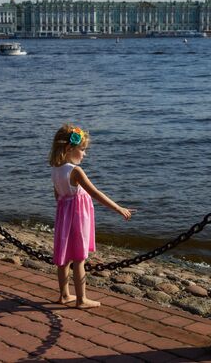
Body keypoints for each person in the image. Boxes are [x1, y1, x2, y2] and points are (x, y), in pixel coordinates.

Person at [49, 124, 134, 308]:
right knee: (79, 259)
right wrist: (118, 208)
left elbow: (58, 195)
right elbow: (95, 193)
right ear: (69, 148)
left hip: (64, 215)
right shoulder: (75, 171)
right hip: (77, 217)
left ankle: (64, 295)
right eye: (82, 150)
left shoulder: (55, 169)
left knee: (64, 259)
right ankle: (81, 299)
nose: (84, 154)